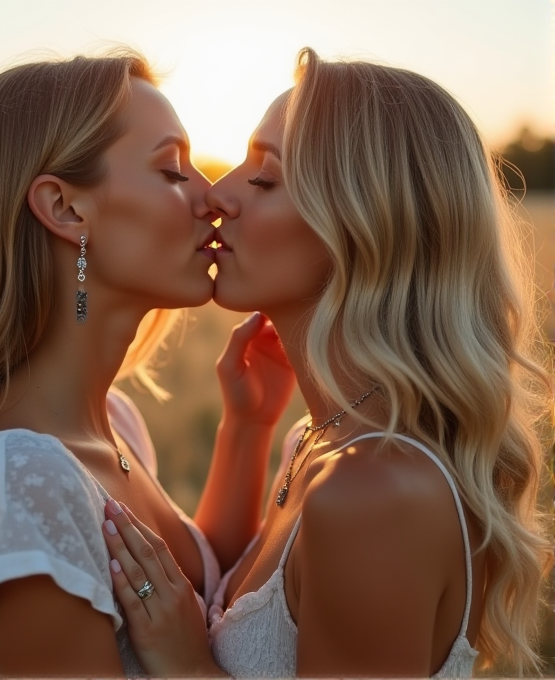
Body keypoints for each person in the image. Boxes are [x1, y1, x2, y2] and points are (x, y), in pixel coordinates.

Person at [102, 47, 553, 677]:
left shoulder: (373, 493)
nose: (218, 195)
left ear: (364, 226)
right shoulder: (314, 446)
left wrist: (185, 665)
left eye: (263, 179)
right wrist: (247, 428)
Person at [0, 48, 262, 677]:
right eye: (171, 170)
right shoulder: (24, 478)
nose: (212, 196)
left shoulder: (115, 421)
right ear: (65, 209)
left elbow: (202, 587)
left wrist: (247, 425)